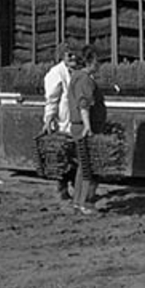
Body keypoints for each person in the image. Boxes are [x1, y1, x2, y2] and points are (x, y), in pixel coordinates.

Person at [69, 44, 108, 215]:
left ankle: (78, 202)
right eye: (97, 61)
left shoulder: (78, 77)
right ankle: (84, 202)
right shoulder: (84, 80)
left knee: (83, 166)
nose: (99, 65)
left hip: (80, 127)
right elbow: (83, 104)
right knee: (88, 166)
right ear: (90, 61)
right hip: (83, 128)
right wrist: (88, 127)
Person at [41, 41, 80, 199]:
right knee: (64, 156)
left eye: (74, 54)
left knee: (76, 155)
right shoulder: (56, 73)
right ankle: (62, 189)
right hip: (63, 121)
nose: (73, 57)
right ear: (62, 56)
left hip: (75, 120)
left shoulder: (77, 71)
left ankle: (76, 189)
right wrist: (49, 119)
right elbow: (52, 99)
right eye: (69, 55)